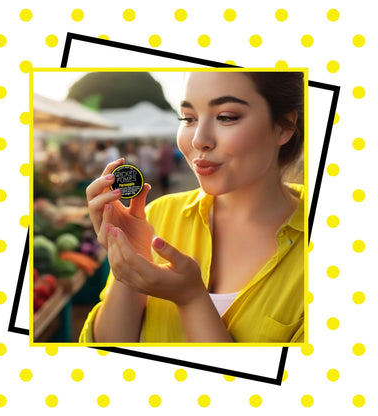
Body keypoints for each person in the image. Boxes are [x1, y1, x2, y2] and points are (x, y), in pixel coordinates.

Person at [80, 70, 305, 343]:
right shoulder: (157, 215)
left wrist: (191, 300)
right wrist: (130, 264)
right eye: (188, 118)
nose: (198, 140)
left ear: (284, 126)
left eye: (226, 117)